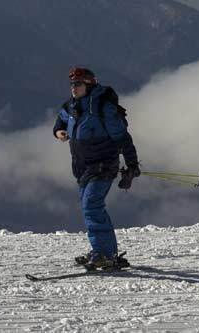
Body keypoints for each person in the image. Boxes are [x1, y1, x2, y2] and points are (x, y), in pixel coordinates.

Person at [53, 67, 141, 270]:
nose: (73, 88)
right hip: (82, 168)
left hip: (103, 165)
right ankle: (106, 252)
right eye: (72, 84)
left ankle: (104, 254)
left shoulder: (103, 109)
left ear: (89, 85)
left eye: (78, 84)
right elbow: (60, 121)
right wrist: (59, 132)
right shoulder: (72, 106)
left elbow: (122, 137)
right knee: (91, 208)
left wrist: (132, 165)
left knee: (91, 206)